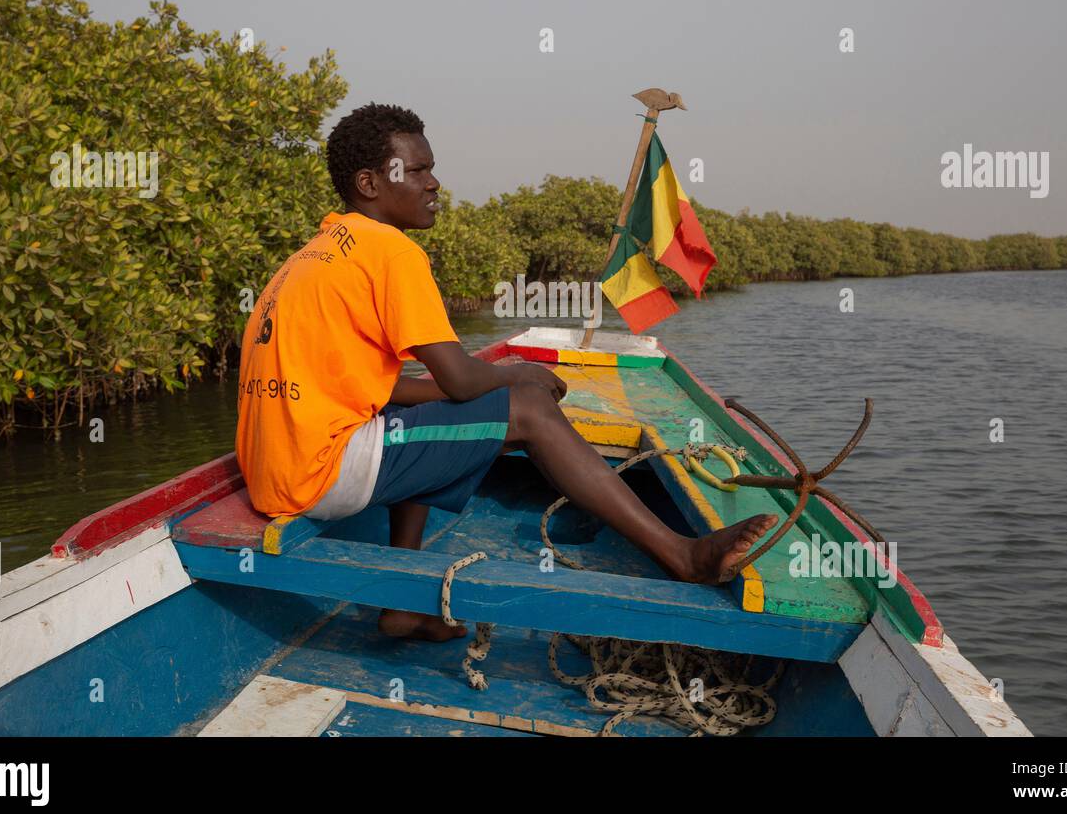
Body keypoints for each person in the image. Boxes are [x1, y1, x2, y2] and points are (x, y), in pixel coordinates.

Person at [235, 103, 773, 641]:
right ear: (370, 182)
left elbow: (381, 385)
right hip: (318, 476)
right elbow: (463, 381)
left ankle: (404, 605)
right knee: (531, 412)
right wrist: (519, 375)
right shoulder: (391, 252)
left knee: (430, 410)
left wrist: (486, 384)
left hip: (271, 471)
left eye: (431, 168)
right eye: (417, 171)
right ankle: (683, 555)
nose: (433, 183)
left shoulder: (315, 253)